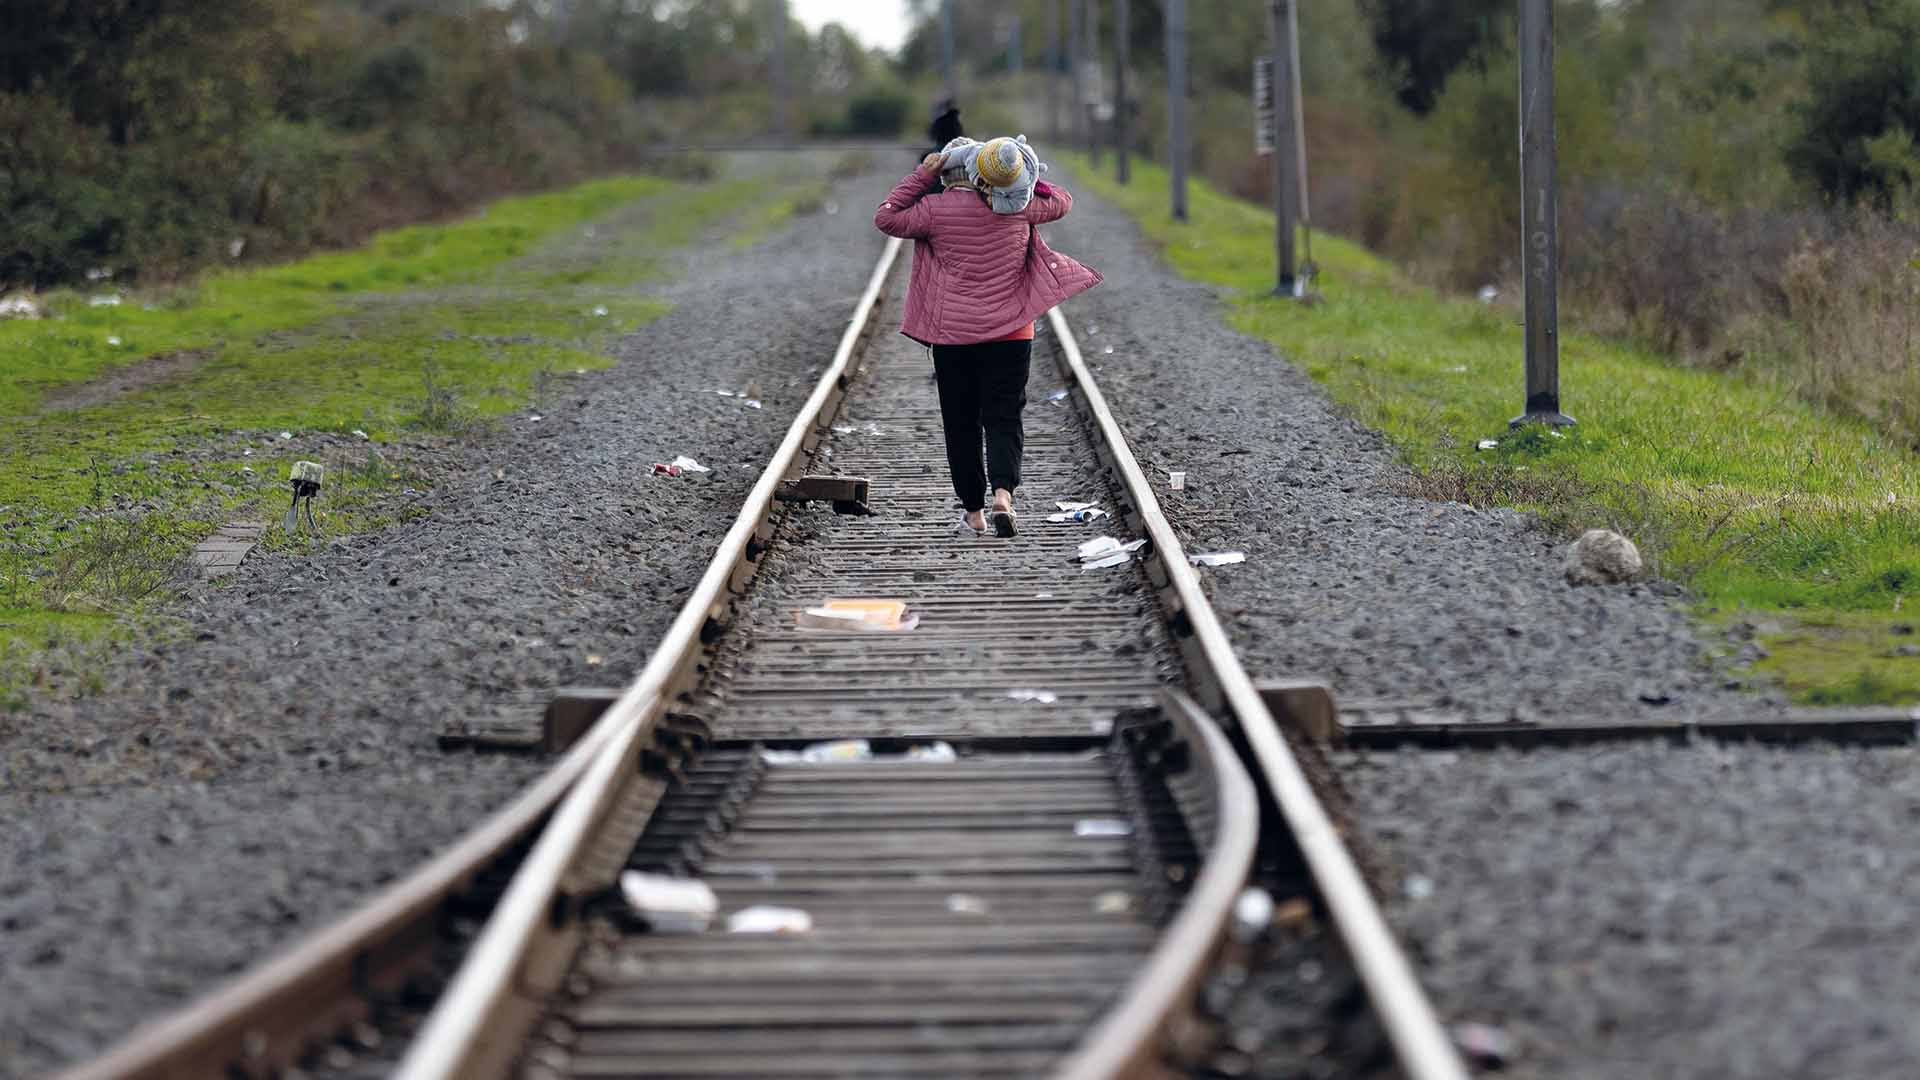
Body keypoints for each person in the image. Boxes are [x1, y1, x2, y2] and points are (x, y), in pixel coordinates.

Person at [873, 137, 1102, 538]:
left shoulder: (933, 210)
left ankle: (975, 512)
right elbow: (1062, 199)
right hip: (1012, 333)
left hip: (953, 338)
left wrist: (923, 173)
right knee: (1004, 416)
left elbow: (887, 216)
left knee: (960, 423)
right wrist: (1021, 171)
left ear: (948, 175)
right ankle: (1003, 494)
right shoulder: (1018, 207)